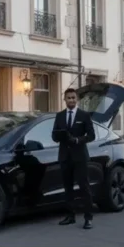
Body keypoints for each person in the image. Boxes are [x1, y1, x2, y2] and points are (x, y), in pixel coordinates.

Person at [51, 87, 96, 230]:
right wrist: (59, 136)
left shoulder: (84, 115)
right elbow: (54, 135)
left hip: (80, 157)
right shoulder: (60, 116)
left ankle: (88, 218)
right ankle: (70, 216)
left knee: (84, 187)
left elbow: (91, 135)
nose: (71, 100)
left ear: (77, 99)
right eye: (68, 98)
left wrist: (78, 140)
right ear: (64, 99)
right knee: (68, 188)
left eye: (73, 98)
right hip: (65, 156)